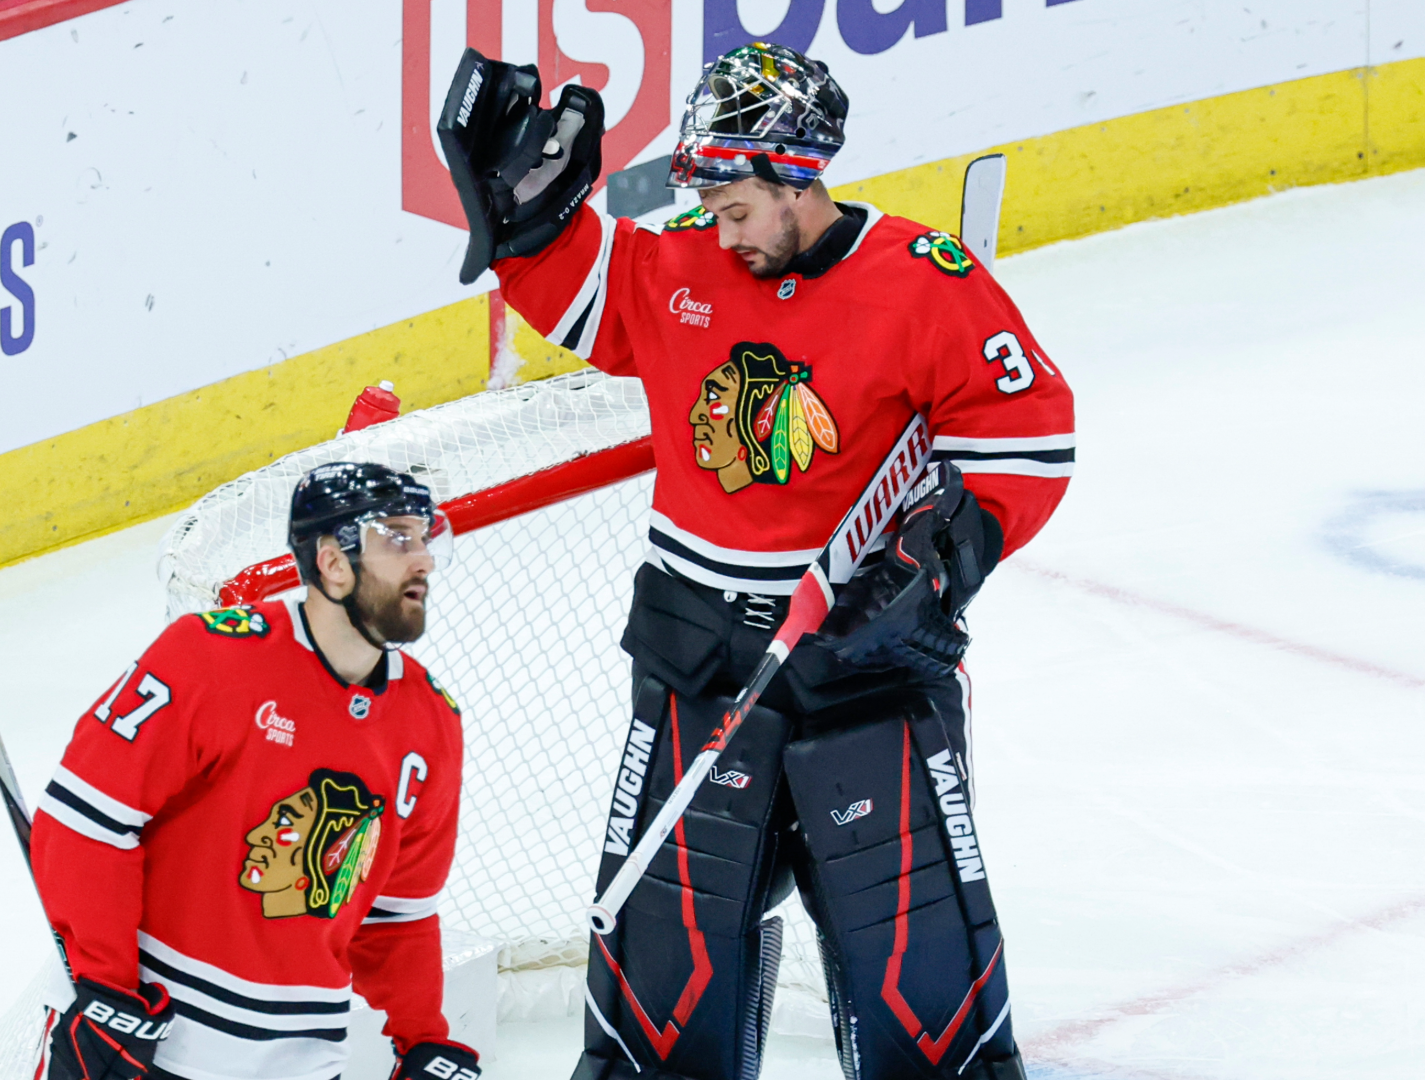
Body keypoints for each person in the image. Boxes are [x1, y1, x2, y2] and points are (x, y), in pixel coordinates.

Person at [438, 42, 1075, 1080]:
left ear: (796, 178)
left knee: (913, 963)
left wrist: (934, 562)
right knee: (665, 975)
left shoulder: (923, 281)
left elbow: (1028, 436)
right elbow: (580, 290)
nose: (720, 231)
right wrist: (529, 219)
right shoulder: (685, 263)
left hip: (859, 658)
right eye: (710, 208)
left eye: (736, 207)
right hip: (697, 652)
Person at [29, 462, 482, 1080]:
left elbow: (397, 915)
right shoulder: (209, 657)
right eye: (398, 539)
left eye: (426, 538)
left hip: (303, 1057)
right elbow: (85, 823)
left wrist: (422, 1036)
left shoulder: (432, 724)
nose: (424, 559)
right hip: (150, 1037)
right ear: (333, 562)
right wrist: (107, 990)